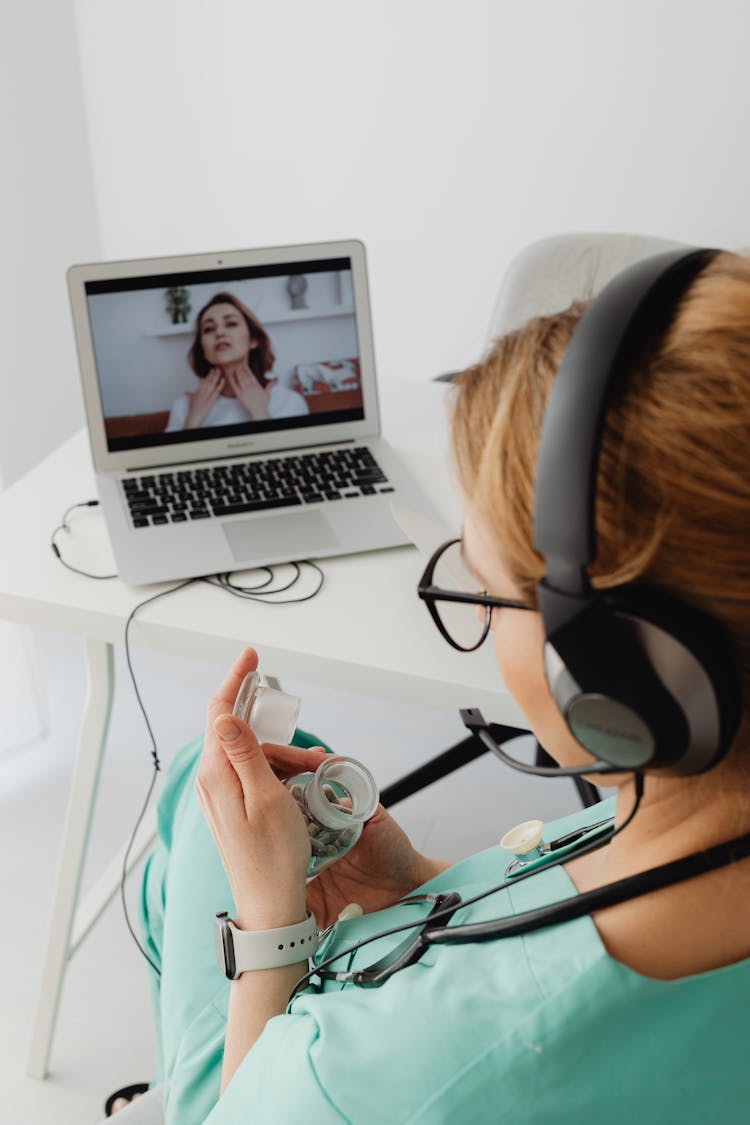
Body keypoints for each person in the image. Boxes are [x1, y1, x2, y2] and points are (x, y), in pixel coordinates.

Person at [114, 251, 749, 1121]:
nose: (484, 626)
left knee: (197, 794)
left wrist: (270, 924)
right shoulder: (689, 806)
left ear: (615, 669)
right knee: (209, 821)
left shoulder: (382, 1075)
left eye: (486, 592)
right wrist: (420, 880)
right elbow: (582, 889)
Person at [164, 291, 308, 431]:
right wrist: (193, 420)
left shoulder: (289, 402)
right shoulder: (184, 407)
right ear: (203, 350)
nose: (219, 333)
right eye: (208, 329)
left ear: (253, 340)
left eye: (231, 324)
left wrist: (260, 414)